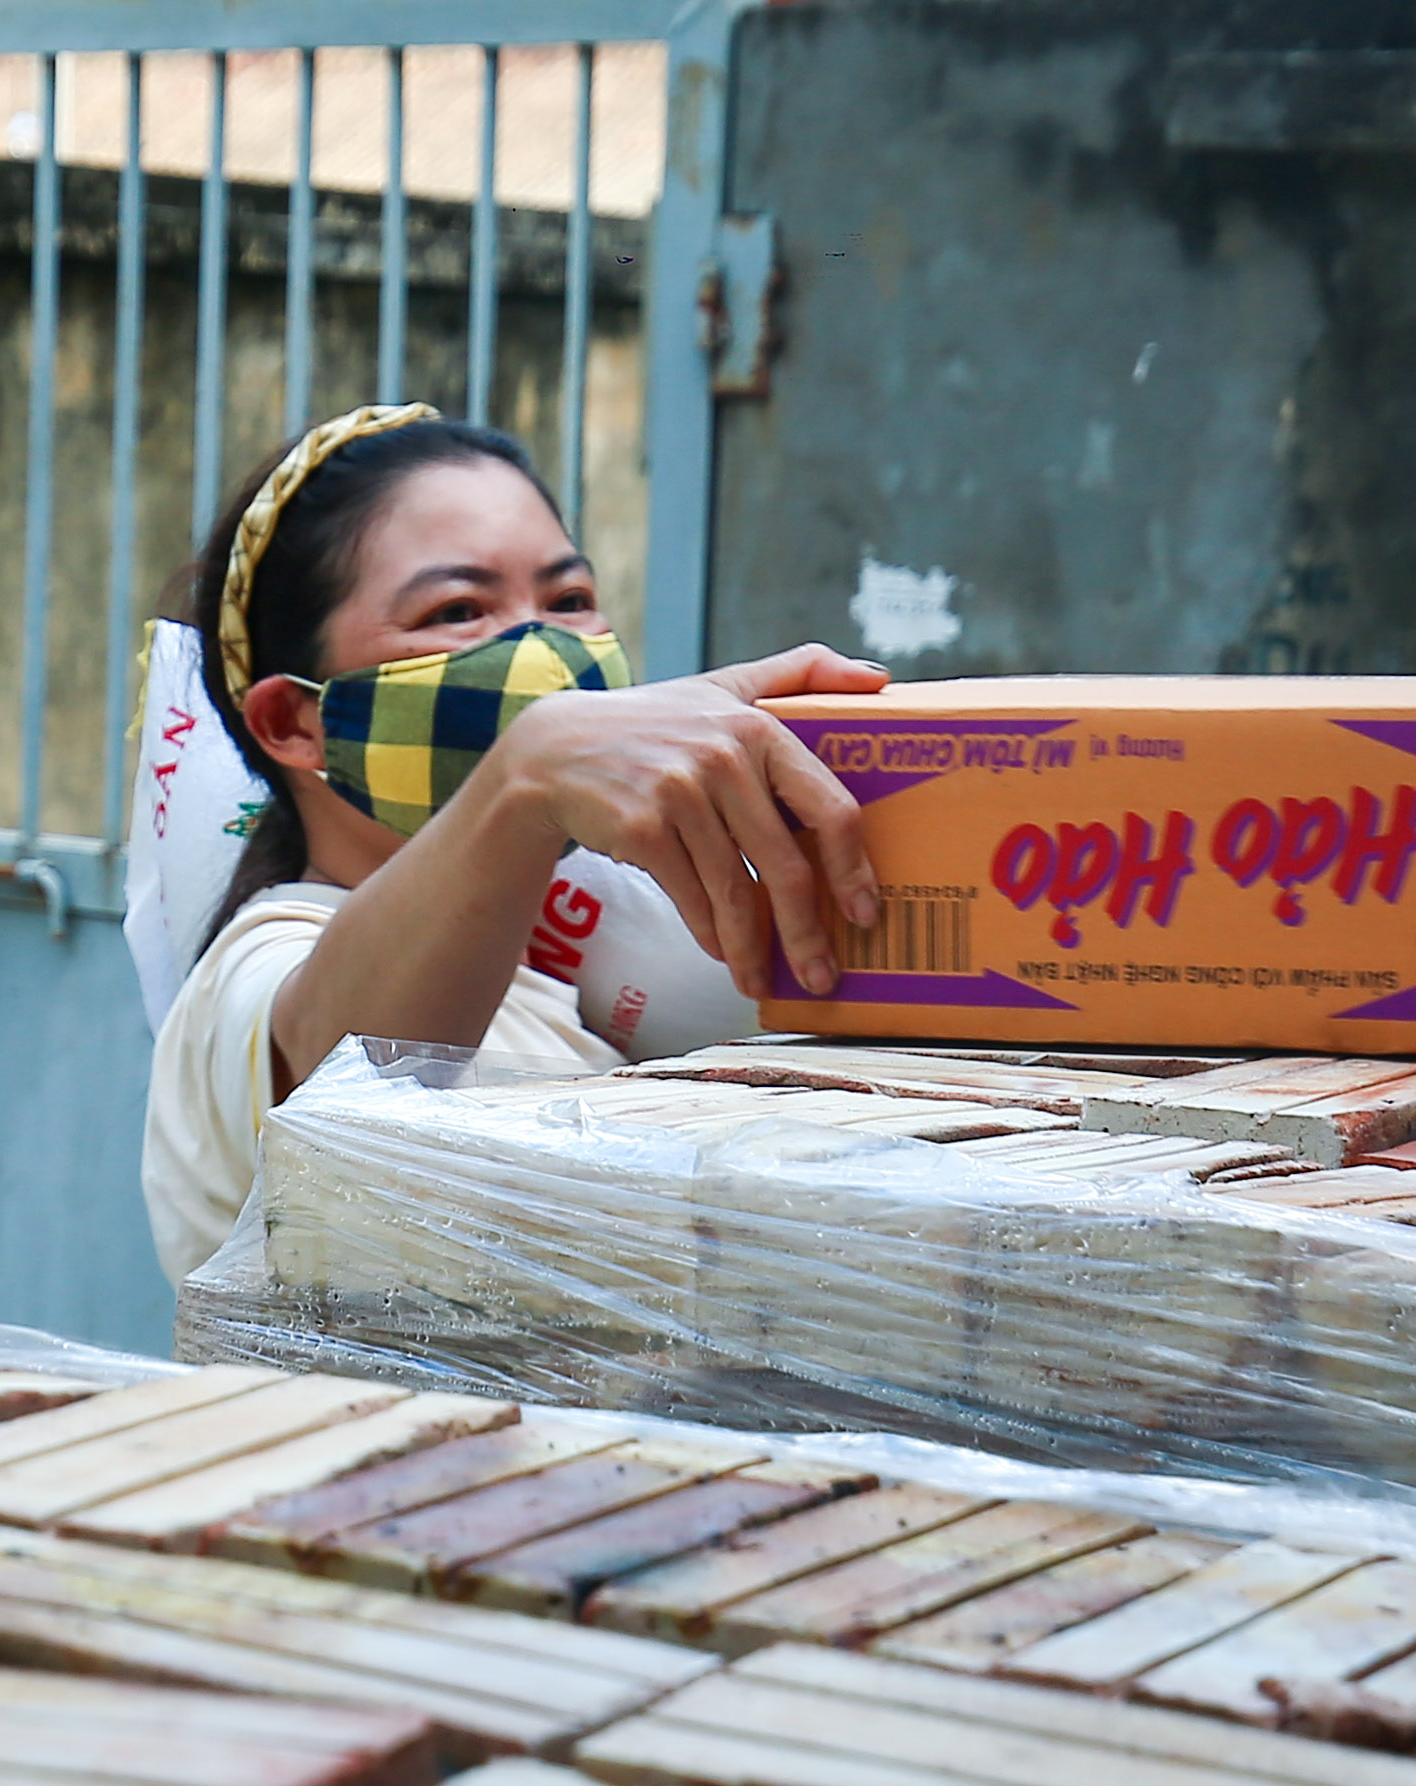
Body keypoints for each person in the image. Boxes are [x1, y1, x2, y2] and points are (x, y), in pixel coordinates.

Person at [140, 403, 888, 1279]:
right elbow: (346, 1078)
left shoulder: (593, 936)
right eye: (459, 609)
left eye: (569, 601)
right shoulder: (259, 966)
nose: (542, 656)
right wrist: (528, 773)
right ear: (294, 721)